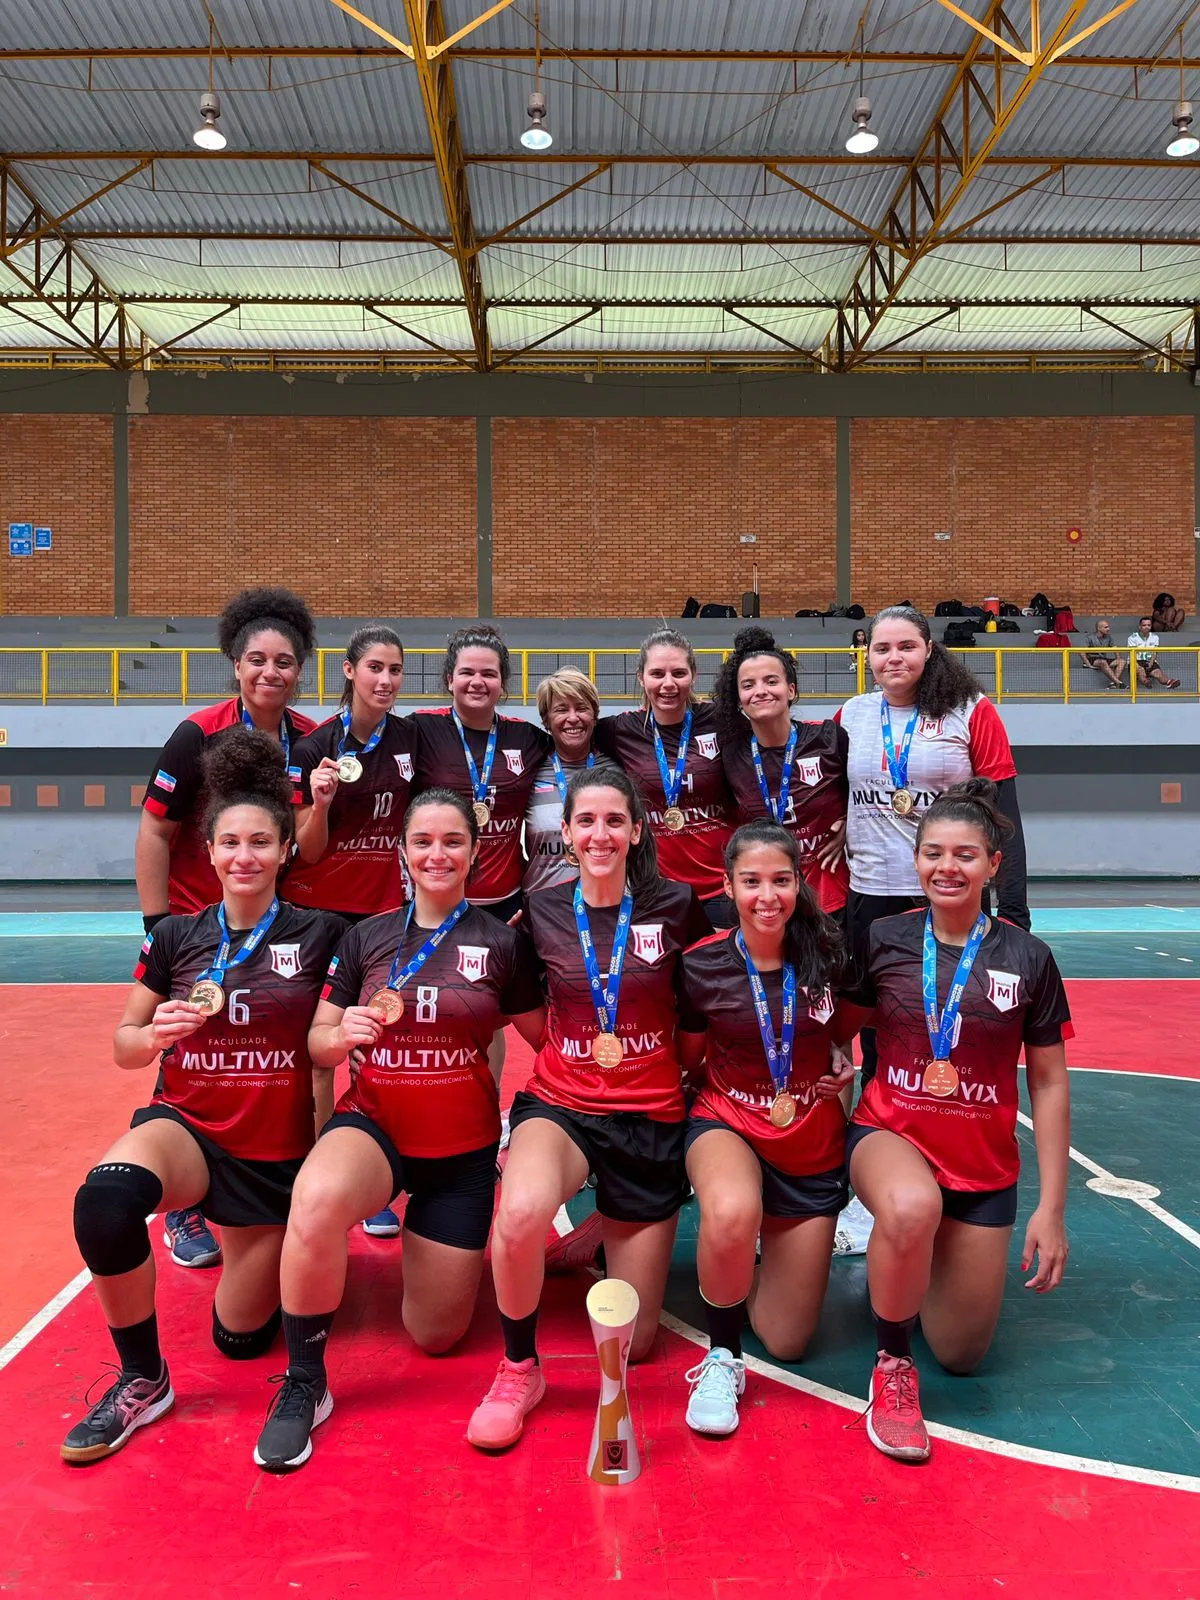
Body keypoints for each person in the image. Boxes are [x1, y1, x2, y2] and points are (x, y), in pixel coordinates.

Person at [61, 729, 344, 1465]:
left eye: (260, 841)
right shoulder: (177, 937)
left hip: (272, 1155)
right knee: (103, 1203)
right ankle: (143, 1378)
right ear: (209, 852)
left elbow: (332, 1046)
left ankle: (266, 1246)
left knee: (240, 1339)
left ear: (286, 849)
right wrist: (153, 1033)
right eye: (229, 842)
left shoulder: (324, 936)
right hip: (186, 1124)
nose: (244, 855)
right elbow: (124, 1045)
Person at [253, 789, 545, 1473]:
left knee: (435, 1336)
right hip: (375, 1129)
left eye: (453, 842)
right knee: (318, 1197)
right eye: (424, 842)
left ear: (475, 852)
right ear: (403, 853)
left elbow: (549, 1038)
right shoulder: (367, 938)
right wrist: (340, 1032)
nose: (437, 854)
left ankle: (407, 1245)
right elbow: (320, 1041)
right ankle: (305, 1380)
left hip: (461, 1154)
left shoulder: (503, 944)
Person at [466, 762, 711, 1452]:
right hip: (563, 1104)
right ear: (566, 832)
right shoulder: (540, 910)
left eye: (613, 821)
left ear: (635, 830)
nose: (599, 834)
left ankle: (604, 1225)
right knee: (515, 1219)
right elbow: (527, 1014)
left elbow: (702, 1007)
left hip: (652, 1116)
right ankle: (519, 1369)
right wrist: (576, 1054)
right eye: (585, 821)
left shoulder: (676, 906)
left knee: (632, 1348)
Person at [829, 780, 1070, 1464]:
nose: (947, 867)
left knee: (962, 1354)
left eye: (965, 855)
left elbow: (1048, 1084)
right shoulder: (884, 938)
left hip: (982, 1169)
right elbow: (840, 1030)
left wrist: (1051, 1210)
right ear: (916, 860)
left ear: (994, 864)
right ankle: (892, 1366)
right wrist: (831, 1067)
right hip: (890, 1136)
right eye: (933, 852)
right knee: (910, 1206)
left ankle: (921, 1255)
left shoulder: (1027, 958)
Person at [136, 586, 318, 1269]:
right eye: (257, 660)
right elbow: (155, 832)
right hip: (199, 924)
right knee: (189, 1052)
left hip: (274, 930)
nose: (271, 672)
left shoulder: (310, 739)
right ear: (235, 665)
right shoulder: (197, 733)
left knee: (266, 1056)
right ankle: (183, 1204)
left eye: (285, 662)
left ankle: (275, 1175)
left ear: (301, 668)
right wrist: (159, 926)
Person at [676, 822, 850, 1436]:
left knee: (788, 1339)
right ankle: (723, 1355)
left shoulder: (830, 956)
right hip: (727, 1119)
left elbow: (845, 1033)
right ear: (727, 887)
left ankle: (747, 1266)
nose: (767, 895)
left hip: (810, 1138)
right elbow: (686, 1059)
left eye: (781, 880)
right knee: (729, 1209)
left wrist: (841, 1061)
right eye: (751, 882)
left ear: (800, 884)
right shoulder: (701, 966)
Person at [837, 605, 1030, 1087]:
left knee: (953, 1011)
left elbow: (1005, 818)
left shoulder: (972, 711)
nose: (894, 657)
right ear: (868, 656)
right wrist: (836, 827)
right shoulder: (852, 715)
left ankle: (951, 1116)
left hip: (948, 894)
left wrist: (1015, 912)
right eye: (882, 648)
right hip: (870, 893)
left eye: (906, 646)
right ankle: (879, 1118)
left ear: (929, 649)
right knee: (875, 1023)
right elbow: (830, 794)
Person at [286, 625, 417, 1239]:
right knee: (319, 1050)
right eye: (375, 669)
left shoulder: (411, 737)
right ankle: (319, 1171)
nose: (386, 680)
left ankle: (371, 1182)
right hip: (318, 915)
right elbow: (307, 854)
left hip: (381, 916)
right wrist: (319, 802)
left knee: (371, 1046)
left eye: (394, 670)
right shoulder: (314, 746)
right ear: (349, 671)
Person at [594, 627, 735, 928]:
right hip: (656, 890)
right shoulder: (619, 731)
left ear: (694, 675)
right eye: (657, 674)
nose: (668, 684)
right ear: (641, 677)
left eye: (679, 673)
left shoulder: (722, 721)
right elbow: (567, 736)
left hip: (723, 887)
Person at [410, 625, 550, 926]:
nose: (477, 682)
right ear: (450, 680)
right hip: (437, 900)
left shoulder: (527, 738)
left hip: (507, 903)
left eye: (488, 674)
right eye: (466, 673)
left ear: (502, 683)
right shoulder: (419, 730)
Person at [712, 626, 850, 918]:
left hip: (831, 900)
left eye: (771, 681)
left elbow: (864, 794)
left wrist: (852, 823)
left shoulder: (830, 738)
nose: (760, 691)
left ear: (791, 689)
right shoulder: (731, 755)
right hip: (767, 905)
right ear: (738, 698)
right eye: (748, 685)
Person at [522, 667, 600, 896]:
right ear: (546, 720)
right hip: (541, 903)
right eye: (561, 709)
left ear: (594, 716)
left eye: (582, 708)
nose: (573, 718)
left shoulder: (615, 770)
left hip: (604, 903)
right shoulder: (529, 772)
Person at [1128, 616, 1181, 689]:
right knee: (1141, 671)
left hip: (1149, 660)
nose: (1146, 627)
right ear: (1140, 627)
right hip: (1136, 661)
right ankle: (1146, 682)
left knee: (1158, 674)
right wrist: (1137, 666)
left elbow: (1154, 652)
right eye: (1144, 625)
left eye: (1149, 625)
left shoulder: (1155, 637)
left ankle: (1169, 682)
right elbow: (1132, 654)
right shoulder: (1132, 637)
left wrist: (1151, 663)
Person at [1081, 619, 1127, 690]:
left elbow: (1115, 648)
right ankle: (1119, 683)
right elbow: (1081, 652)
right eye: (1106, 627)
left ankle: (1113, 683)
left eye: (1108, 627)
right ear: (1099, 628)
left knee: (1122, 661)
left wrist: (1118, 658)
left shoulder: (1109, 637)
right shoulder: (1089, 637)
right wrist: (1088, 665)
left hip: (1103, 659)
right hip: (1092, 659)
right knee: (1103, 662)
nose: (1108, 629)